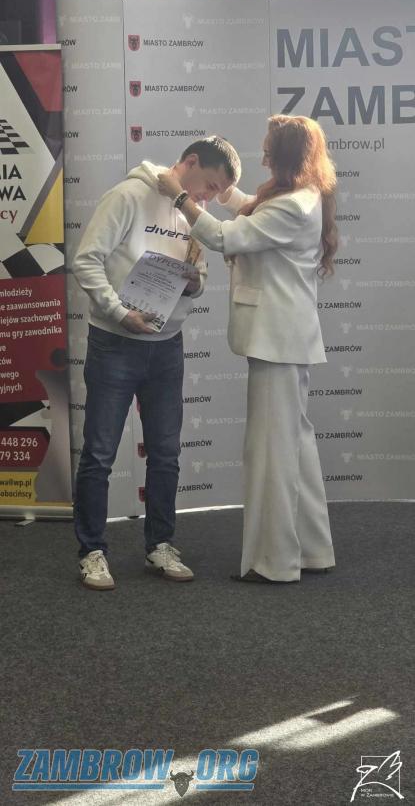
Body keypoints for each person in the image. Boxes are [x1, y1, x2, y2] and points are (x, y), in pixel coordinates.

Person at [158, 114, 337, 583]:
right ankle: (312, 550)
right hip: (285, 339)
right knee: (295, 445)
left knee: (271, 452)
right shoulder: (303, 195)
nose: (264, 157)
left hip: (277, 341)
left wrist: (179, 197)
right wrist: (223, 192)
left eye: (269, 150)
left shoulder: (292, 206)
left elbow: (225, 236)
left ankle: (273, 562)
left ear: (286, 156)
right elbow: (251, 209)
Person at [72, 137, 241, 589]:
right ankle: (92, 551)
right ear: (190, 162)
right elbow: (86, 260)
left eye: (216, 193)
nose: (208, 199)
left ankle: (160, 544)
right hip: (114, 341)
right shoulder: (128, 196)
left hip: (167, 345)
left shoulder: (191, 214)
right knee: (100, 452)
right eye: (209, 186)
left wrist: (194, 284)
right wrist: (118, 312)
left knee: (166, 453)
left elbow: (199, 276)